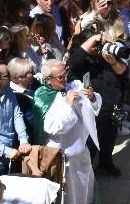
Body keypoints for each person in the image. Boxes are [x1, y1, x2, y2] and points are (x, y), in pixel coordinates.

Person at [33, 60, 100, 204]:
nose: (65, 79)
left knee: (85, 194)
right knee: (69, 198)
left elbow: (95, 105)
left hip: (81, 153)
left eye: (66, 74)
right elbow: (53, 127)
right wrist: (68, 104)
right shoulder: (42, 96)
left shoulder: (74, 85)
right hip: (63, 160)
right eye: (60, 77)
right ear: (48, 80)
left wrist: (92, 97)